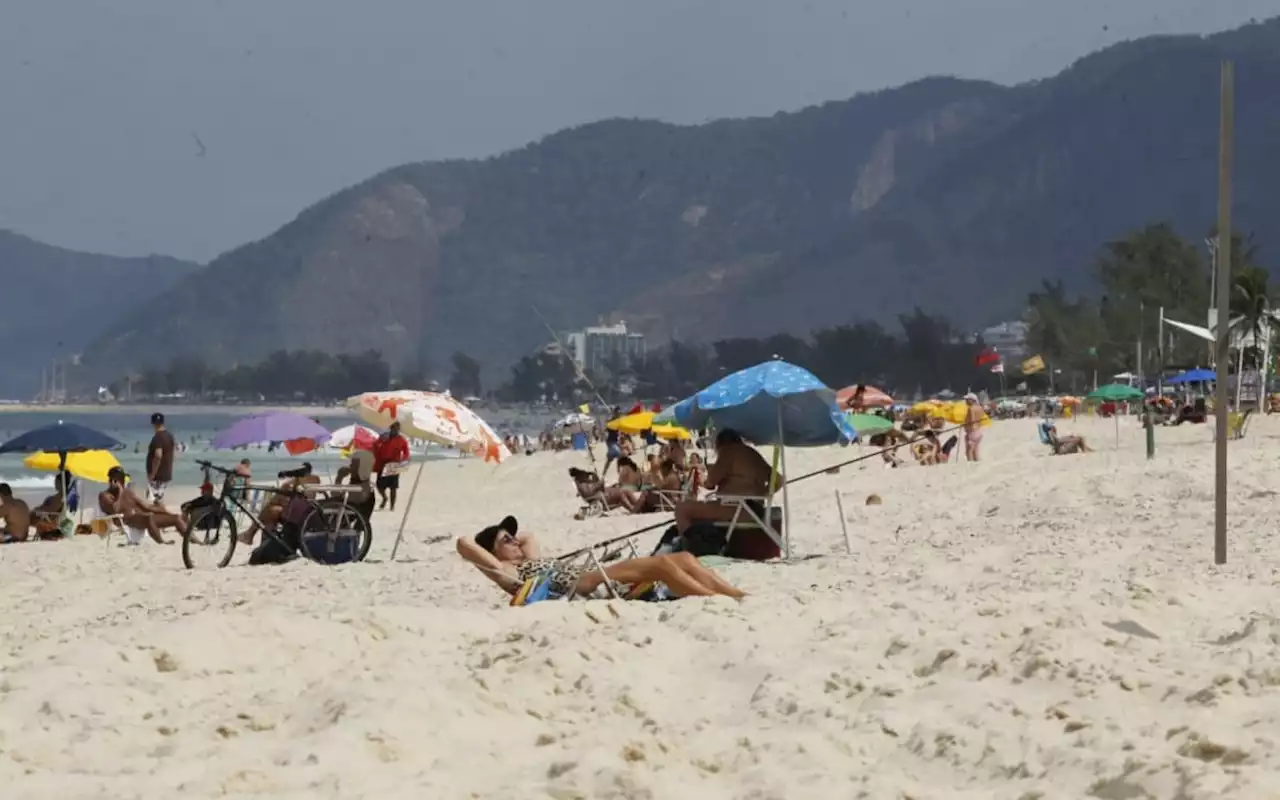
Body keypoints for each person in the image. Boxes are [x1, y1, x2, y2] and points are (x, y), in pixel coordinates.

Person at [456, 516, 745, 600]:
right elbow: (463, 543)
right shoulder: (506, 571)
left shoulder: (526, 558)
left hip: (590, 575)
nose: (515, 541)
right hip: (581, 583)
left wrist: (509, 538)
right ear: (494, 552)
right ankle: (713, 598)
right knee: (661, 564)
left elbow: (529, 536)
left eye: (512, 536)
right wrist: (494, 548)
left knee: (680, 556)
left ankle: (732, 593)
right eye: (506, 540)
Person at [674, 429, 778, 534]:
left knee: (681, 509)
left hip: (736, 509)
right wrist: (764, 495)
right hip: (756, 510)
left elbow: (710, 482)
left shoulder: (728, 451)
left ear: (720, 443)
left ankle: (688, 547)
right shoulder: (752, 453)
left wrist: (703, 480)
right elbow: (779, 479)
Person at [100, 467, 184, 544]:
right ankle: (161, 542)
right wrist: (120, 492)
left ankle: (192, 540)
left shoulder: (128, 492)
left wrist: (167, 512)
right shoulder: (104, 495)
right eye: (121, 479)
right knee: (149, 517)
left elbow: (146, 507)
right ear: (113, 481)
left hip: (143, 517)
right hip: (128, 520)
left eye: (123, 479)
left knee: (176, 518)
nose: (123, 481)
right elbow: (114, 509)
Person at [373, 421, 411, 511]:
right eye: (393, 427)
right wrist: (380, 441)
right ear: (390, 428)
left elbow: (406, 452)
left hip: (395, 464)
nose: (395, 429)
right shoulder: (384, 437)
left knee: (393, 487)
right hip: (383, 463)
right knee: (379, 485)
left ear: (399, 429)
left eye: (397, 428)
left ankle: (392, 506)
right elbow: (375, 446)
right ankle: (385, 498)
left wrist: (403, 461)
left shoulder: (402, 439)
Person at [146, 412, 176, 506]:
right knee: (159, 499)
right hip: (166, 472)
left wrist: (153, 474)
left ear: (153, 424)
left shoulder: (157, 437)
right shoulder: (169, 436)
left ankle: (162, 519)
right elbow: (173, 452)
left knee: (156, 501)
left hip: (158, 475)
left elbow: (158, 456)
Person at [962, 393, 986, 462]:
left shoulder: (971, 408)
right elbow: (979, 419)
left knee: (969, 452)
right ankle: (976, 464)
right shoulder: (980, 407)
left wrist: (965, 424)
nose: (965, 401)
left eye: (967, 399)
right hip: (979, 431)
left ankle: (970, 466)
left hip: (972, 432)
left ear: (972, 400)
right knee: (975, 450)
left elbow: (972, 421)